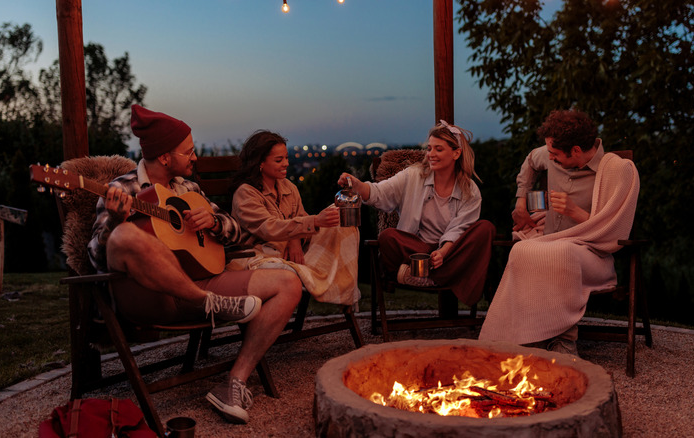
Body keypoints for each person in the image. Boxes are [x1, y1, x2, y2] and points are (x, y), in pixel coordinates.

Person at [88, 105, 302, 424]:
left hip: (203, 284)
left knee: (288, 283)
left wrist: (215, 222)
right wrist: (115, 223)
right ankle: (209, 302)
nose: (195, 157)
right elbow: (95, 256)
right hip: (152, 296)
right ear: (164, 156)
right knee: (124, 237)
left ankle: (234, 382)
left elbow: (242, 235)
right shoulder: (122, 189)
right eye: (188, 152)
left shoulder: (189, 189)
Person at [479, 109, 640, 355]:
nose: (550, 158)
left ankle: (564, 340)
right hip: (552, 243)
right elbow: (531, 160)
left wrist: (575, 211)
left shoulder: (616, 171)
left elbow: (611, 232)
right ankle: (525, 336)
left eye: (555, 155)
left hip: (593, 254)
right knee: (522, 249)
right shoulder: (552, 152)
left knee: (561, 252)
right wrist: (521, 202)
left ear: (575, 150)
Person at [338, 120, 496, 308]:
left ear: (456, 153)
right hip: (416, 250)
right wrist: (357, 185)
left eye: (438, 149)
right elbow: (380, 193)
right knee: (388, 237)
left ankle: (426, 276)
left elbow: (460, 228)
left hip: (450, 251)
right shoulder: (413, 175)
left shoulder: (470, 191)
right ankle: (445, 275)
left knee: (486, 228)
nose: (431, 154)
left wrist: (443, 253)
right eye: (429, 148)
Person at [227, 130, 360, 305]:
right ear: (259, 162)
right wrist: (312, 222)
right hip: (260, 257)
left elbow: (300, 221)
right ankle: (316, 278)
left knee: (340, 218)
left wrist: (294, 240)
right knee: (282, 271)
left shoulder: (288, 187)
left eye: (286, 158)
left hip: (293, 254)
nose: (286, 164)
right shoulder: (246, 193)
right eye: (278, 160)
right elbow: (268, 227)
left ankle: (342, 289)